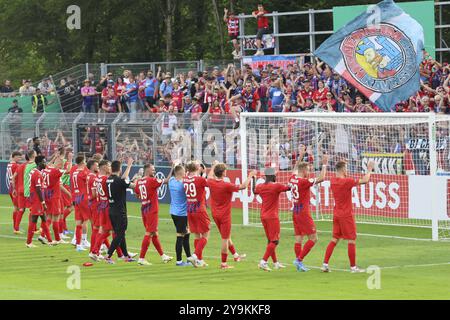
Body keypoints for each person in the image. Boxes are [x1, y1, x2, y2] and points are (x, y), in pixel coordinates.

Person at [321, 160, 374, 273]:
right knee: (351, 240)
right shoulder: (347, 181)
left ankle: (325, 264)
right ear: (343, 169)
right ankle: (353, 267)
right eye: (346, 168)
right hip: (346, 215)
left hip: (336, 214)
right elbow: (365, 180)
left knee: (334, 239)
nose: (347, 170)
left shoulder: (333, 181)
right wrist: (369, 169)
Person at [207, 162, 255, 269]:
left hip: (215, 214)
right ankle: (223, 263)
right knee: (225, 238)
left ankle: (236, 256)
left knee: (226, 236)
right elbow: (243, 186)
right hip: (224, 215)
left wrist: (214, 165)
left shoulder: (210, 182)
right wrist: (250, 176)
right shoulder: (226, 185)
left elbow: (209, 175)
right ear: (224, 173)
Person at [290, 155, 328, 272]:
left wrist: (300, 155)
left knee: (298, 239)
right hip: (303, 213)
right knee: (313, 238)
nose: (309, 172)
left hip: (295, 211)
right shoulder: (303, 182)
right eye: (308, 170)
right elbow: (321, 178)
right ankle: (299, 260)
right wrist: (324, 164)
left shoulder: (292, 178)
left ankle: (298, 265)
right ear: (303, 171)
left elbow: (295, 167)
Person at [134, 164, 173, 266]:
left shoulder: (139, 181)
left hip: (144, 209)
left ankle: (163, 256)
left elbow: (137, 194)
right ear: (147, 170)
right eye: (153, 170)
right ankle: (141, 258)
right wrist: (172, 167)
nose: (154, 171)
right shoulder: (151, 180)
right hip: (152, 210)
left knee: (154, 233)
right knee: (149, 233)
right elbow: (167, 181)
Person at [253, 167, 290, 272]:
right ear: (273, 176)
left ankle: (275, 263)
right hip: (272, 217)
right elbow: (289, 188)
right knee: (275, 241)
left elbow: (253, 191)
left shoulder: (260, 186)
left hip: (263, 216)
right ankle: (263, 262)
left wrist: (253, 179)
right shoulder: (276, 186)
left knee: (270, 241)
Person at [105, 158, 137, 264]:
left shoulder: (109, 179)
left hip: (112, 210)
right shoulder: (119, 180)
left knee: (120, 234)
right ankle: (108, 255)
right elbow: (132, 185)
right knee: (119, 234)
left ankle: (126, 255)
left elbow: (124, 181)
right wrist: (131, 170)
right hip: (120, 211)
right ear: (120, 169)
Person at [183, 161, 210, 268]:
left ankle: (199, 260)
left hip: (190, 209)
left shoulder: (185, 179)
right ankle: (195, 256)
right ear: (197, 168)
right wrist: (209, 171)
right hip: (199, 209)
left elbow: (192, 178)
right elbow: (209, 183)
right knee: (206, 233)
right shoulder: (200, 179)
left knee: (197, 235)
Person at [42, 152, 73, 244]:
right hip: (54, 196)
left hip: (47, 195)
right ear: (59, 164)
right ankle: (57, 238)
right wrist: (70, 159)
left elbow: (48, 164)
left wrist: (54, 158)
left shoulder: (46, 169)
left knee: (49, 217)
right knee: (56, 217)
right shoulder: (56, 171)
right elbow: (68, 170)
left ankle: (43, 235)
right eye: (61, 163)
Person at [25, 155, 54, 247]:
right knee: (34, 219)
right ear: (39, 163)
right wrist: (43, 202)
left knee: (43, 218)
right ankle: (29, 242)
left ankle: (49, 240)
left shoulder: (34, 171)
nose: (45, 163)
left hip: (35, 198)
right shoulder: (37, 173)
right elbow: (38, 189)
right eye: (44, 162)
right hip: (37, 199)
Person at [167, 163, 192, 266]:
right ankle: (179, 261)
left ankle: (189, 258)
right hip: (182, 214)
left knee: (186, 235)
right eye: (184, 172)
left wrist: (173, 167)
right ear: (181, 173)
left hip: (174, 212)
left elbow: (170, 176)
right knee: (180, 236)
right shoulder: (183, 184)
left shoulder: (171, 181)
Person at [70, 155, 91, 251]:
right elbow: (90, 181)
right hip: (84, 198)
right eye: (85, 161)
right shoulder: (83, 173)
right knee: (85, 221)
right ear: (82, 162)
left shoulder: (74, 172)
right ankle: (84, 240)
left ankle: (78, 244)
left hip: (76, 197)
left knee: (78, 222)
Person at [86, 160, 100, 257]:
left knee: (96, 228)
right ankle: (94, 251)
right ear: (92, 166)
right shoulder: (94, 177)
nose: (98, 166)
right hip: (95, 204)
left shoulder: (88, 176)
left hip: (90, 203)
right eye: (96, 165)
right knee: (97, 228)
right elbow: (95, 194)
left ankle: (95, 250)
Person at [7, 151, 23, 234]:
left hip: (11, 188)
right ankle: (15, 228)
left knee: (16, 207)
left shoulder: (9, 164)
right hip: (15, 189)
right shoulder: (16, 165)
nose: (20, 159)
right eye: (19, 157)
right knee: (18, 208)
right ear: (14, 157)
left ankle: (16, 227)